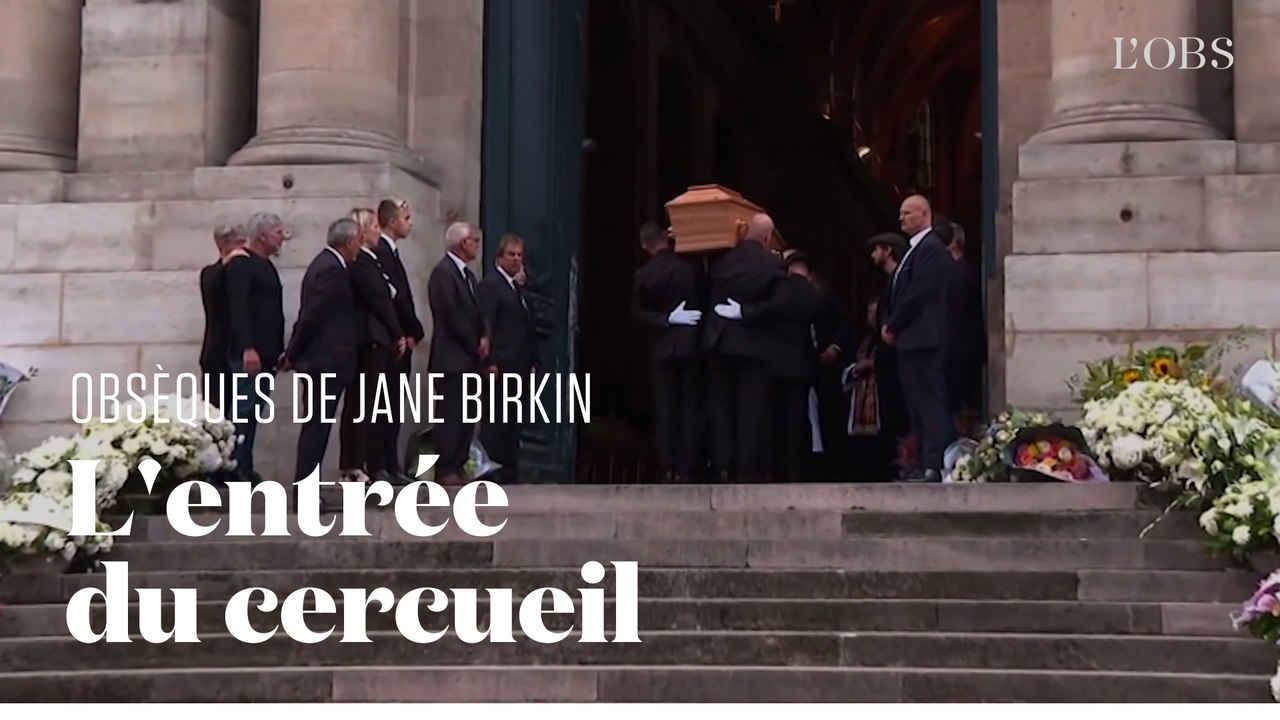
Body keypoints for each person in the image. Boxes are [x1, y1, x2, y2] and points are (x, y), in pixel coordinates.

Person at [281, 218, 363, 501]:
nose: (360, 248)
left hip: (325, 362)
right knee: (316, 428)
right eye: (358, 242)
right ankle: (305, 493)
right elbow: (312, 316)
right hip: (324, 363)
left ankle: (307, 490)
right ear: (349, 241)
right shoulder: (331, 269)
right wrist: (292, 353)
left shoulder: (328, 265)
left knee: (318, 426)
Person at [704, 213, 788, 482]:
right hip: (753, 345)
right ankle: (744, 469)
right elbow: (780, 304)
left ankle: (722, 467)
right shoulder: (772, 264)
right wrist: (746, 312)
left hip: (719, 341)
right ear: (766, 236)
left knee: (721, 407)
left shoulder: (721, 259)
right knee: (750, 409)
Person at [882, 195, 956, 482]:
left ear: (925, 214)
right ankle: (923, 460)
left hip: (922, 339)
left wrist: (893, 324)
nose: (901, 218)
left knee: (929, 402)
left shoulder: (931, 249)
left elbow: (918, 293)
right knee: (917, 404)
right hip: (911, 340)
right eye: (901, 213)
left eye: (908, 213)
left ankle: (935, 464)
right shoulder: (915, 249)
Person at [631, 222, 704, 482]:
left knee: (665, 410)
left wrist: (666, 319)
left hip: (662, 348)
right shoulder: (690, 267)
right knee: (689, 408)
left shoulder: (644, 275)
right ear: (666, 239)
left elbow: (637, 312)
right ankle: (688, 470)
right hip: (690, 345)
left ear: (644, 246)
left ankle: (667, 469)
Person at [338, 208, 404, 484]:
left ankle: (366, 463)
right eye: (375, 226)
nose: (379, 231)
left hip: (378, 340)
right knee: (361, 406)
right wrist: (397, 332)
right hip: (370, 340)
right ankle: (356, 465)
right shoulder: (361, 263)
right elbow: (380, 300)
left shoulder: (371, 261)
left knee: (370, 406)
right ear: (362, 231)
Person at [223, 212, 288, 482]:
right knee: (242, 409)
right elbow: (238, 309)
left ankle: (244, 463)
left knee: (252, 410)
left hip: (267, 354)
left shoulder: (266, 265)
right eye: (278, 232)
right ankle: (231, 464)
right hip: (250, 354)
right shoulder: (243, 264)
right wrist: (248, 347)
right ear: (262, 235)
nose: (282, 238)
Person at [427, 221, 490, 485]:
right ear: (463, 243)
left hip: (469, 359)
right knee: (450, 415)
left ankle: (460, 462)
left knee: (467, 416)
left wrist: (484, 336)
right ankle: (445, 468)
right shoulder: (443, 273)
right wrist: (472, 341)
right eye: (474, 240)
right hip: (451, 359)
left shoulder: (469, 276)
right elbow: (450, 314)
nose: (477, 244)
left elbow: (478, 313)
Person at [478, 233, 539, 483]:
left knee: (513, 419)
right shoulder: (492, 285)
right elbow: (484, 325)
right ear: (499, 257)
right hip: (501, 365)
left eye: (519, 255)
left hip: (520, 366)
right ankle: (493, 469)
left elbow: (527, 327)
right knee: (496, 419)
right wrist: (489, 361)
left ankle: (509, 467)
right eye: (511, 254)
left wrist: (534, 361)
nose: (516, 259)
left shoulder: (517, 288)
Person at [374, 198, 424, 481]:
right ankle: (381, 465)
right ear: (392, 222)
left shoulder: (392, 252)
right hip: (393, 342)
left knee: (394, 407)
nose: (411, 222)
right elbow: (393, 300)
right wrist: (409, 331)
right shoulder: (381, 252)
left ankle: (390, 464)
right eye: (406, 217)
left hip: (401, 341)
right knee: (385, 407)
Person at [199, 225, 247, 413]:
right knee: (215, 411)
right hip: (217, 354)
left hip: (235, 353)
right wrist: (229, 261)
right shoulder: (211, 273)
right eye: (240, 242)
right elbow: (212, 290)